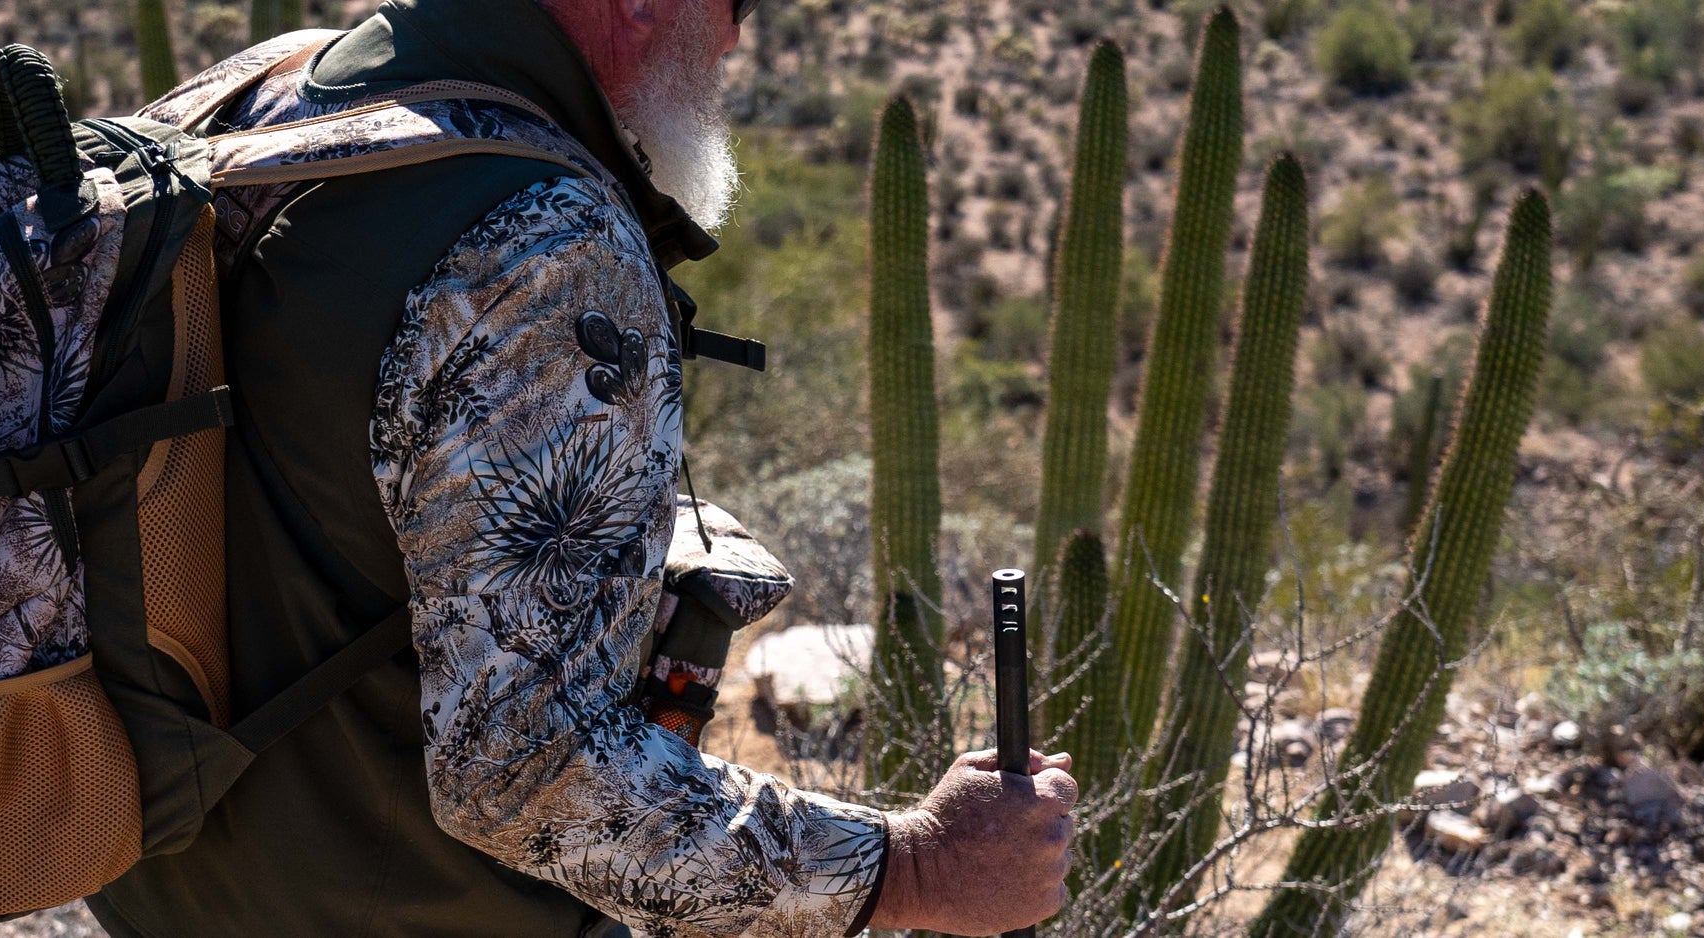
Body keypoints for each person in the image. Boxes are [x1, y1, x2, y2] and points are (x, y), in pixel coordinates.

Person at [81, 0, 1076, 934]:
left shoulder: (263, 90)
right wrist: (918, 865)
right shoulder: (543, 242)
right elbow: (526, 769)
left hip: (163, 882)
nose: (732, 43)